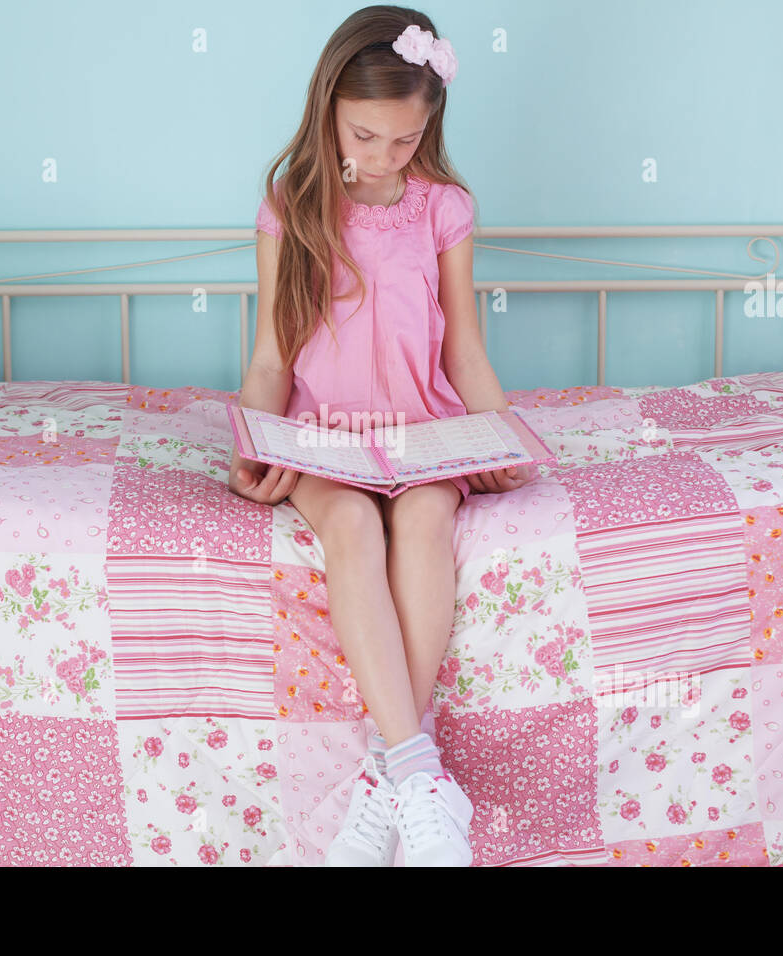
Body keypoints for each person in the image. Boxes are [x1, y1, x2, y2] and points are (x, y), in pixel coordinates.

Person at [228, 5, 535, 867]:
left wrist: (499, 435)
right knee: (355, 525)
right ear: (328, 104)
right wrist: (255, 444)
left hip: (424, 428)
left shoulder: (444, 209)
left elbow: (466, 348)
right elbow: (269, 352)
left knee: (426, 518)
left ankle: (391, 775)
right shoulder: (292, 204)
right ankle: (419, 776)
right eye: (367, 134)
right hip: (323, 436)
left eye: (405, 142)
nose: (383, 156)